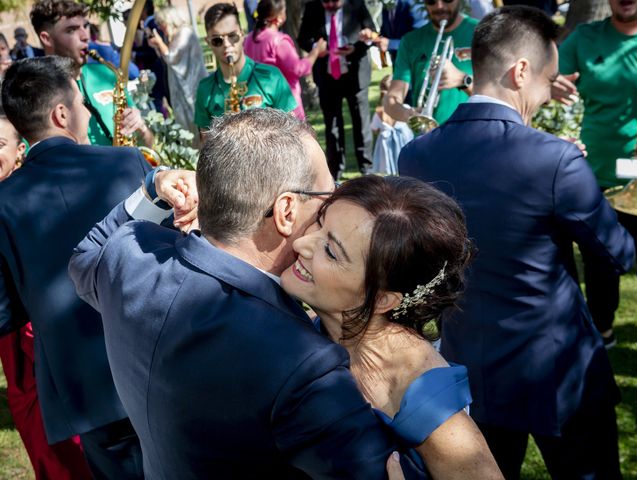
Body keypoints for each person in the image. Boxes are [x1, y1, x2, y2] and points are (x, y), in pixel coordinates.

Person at [69, 108, 501, 479]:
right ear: (288, 209)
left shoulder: (129, 256)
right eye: (325, 199)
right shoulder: (302, 364)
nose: (314, 235)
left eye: (332, 245)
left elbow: (85, 255)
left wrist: (152, 188)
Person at [399, 6, 635, 479]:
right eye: (547, 83)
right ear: (520, 71)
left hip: (470, 368)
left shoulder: (415, 157)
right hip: (558, 374)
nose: (547, 97)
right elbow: (617, 253)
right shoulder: (555, 159)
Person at [280, 175, 504, 479]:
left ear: (384, 299)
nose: (301, 243)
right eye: (319, 224)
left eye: (331, 251)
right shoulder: (309, 326)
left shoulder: (426, 399)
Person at [0, 56, 154, 479]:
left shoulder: (3, 203)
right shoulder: (126, 164)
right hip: (152, 364)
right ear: (61, 113)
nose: (87, 110)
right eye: (82, 100)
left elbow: (5, 312)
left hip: (81, 388)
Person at [0, 110, 92, 480]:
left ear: (20, 149)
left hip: (44, 329)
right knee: (31, 417)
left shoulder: (30, 193)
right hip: (11, 335)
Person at [556, 0, 637, 347]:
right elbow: (546, 80)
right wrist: (554, 84)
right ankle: (602, 330)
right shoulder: (585, 37)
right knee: (600, 259)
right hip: (595, 174)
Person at [30, 0, 154, 148]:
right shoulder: (35, 94)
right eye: (71, 30)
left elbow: (149, 143)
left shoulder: (106, 74)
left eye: (86, 26)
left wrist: (142, 129)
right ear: (46, 38)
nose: (85, 36)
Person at [298, 0, 376, 178]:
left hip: (355, 72)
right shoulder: (312, 7)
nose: (330, 4)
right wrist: (316, 49)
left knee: (360, 122)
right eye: (326, 1)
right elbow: (303, 38)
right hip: (327, 75)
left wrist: (357, 46)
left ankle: (367, 169)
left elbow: (371, 32)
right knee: (332, 124)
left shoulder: (356, 5)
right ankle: (335, 170)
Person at [194, 3, 297, 136]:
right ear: (208, 42)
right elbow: (204, 141)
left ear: (242, 34)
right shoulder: (205, 89)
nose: (227, 45)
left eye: (232, 36)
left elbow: (294, 131)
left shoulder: (271, 77)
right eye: (217, 40)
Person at [384, 0, 477, 128]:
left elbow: (500, 96)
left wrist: (463, 80)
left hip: (472, 132)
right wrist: (408, 115)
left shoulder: (481, 33)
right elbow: (391, 100)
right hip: (427, 137)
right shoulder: (411, 41)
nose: (439, 6)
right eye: (431, 1)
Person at [244, 0, 327, 120]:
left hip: (260, 103)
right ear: (279, 17)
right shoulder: (279, 41)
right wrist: (316, 51)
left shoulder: (249, 39)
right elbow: (298, 69)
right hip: (285, 103)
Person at [147, 6, 207, 141]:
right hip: (180, 88)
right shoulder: (174, 35)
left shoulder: (184, 33)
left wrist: (160, 43)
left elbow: (171, 57)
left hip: (193, 85)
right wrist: (157, 45)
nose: (160, 27)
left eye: (162, 22)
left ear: (170, 20)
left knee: (196, 123)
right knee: (185, 125)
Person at [370, 74, 413, 174]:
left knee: (390, 170)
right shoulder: (405, 109)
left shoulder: (379, 111)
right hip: (404, 141)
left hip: (386, 144)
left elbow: (374, 128)